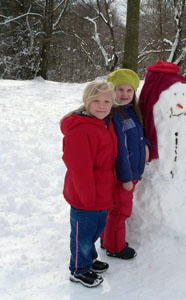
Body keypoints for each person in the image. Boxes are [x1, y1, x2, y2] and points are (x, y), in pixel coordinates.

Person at [60, 81, 118, 288]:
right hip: (85, 196)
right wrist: (87, 198)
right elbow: (79, 168)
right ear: (86, 102)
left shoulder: (101, 123)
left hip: (100, 193)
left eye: (106, 101)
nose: (102, 106)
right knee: (82, 234)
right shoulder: (81, 130)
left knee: (95, 229)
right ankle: (79, 268)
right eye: (96, 101)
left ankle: (89, 258)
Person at [101, 69, 150, 259]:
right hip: (124, 174)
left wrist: (146, 144)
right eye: (119, 89)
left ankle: (107, 239)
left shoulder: (131, 111)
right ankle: (115, 247)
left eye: (129, 90)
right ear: (111, 91)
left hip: (131, 172)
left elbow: (138, 136)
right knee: (120, 211)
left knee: (114, 208)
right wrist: (126, 177)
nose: (124, 94)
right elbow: (119, 150)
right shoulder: (114, 116)